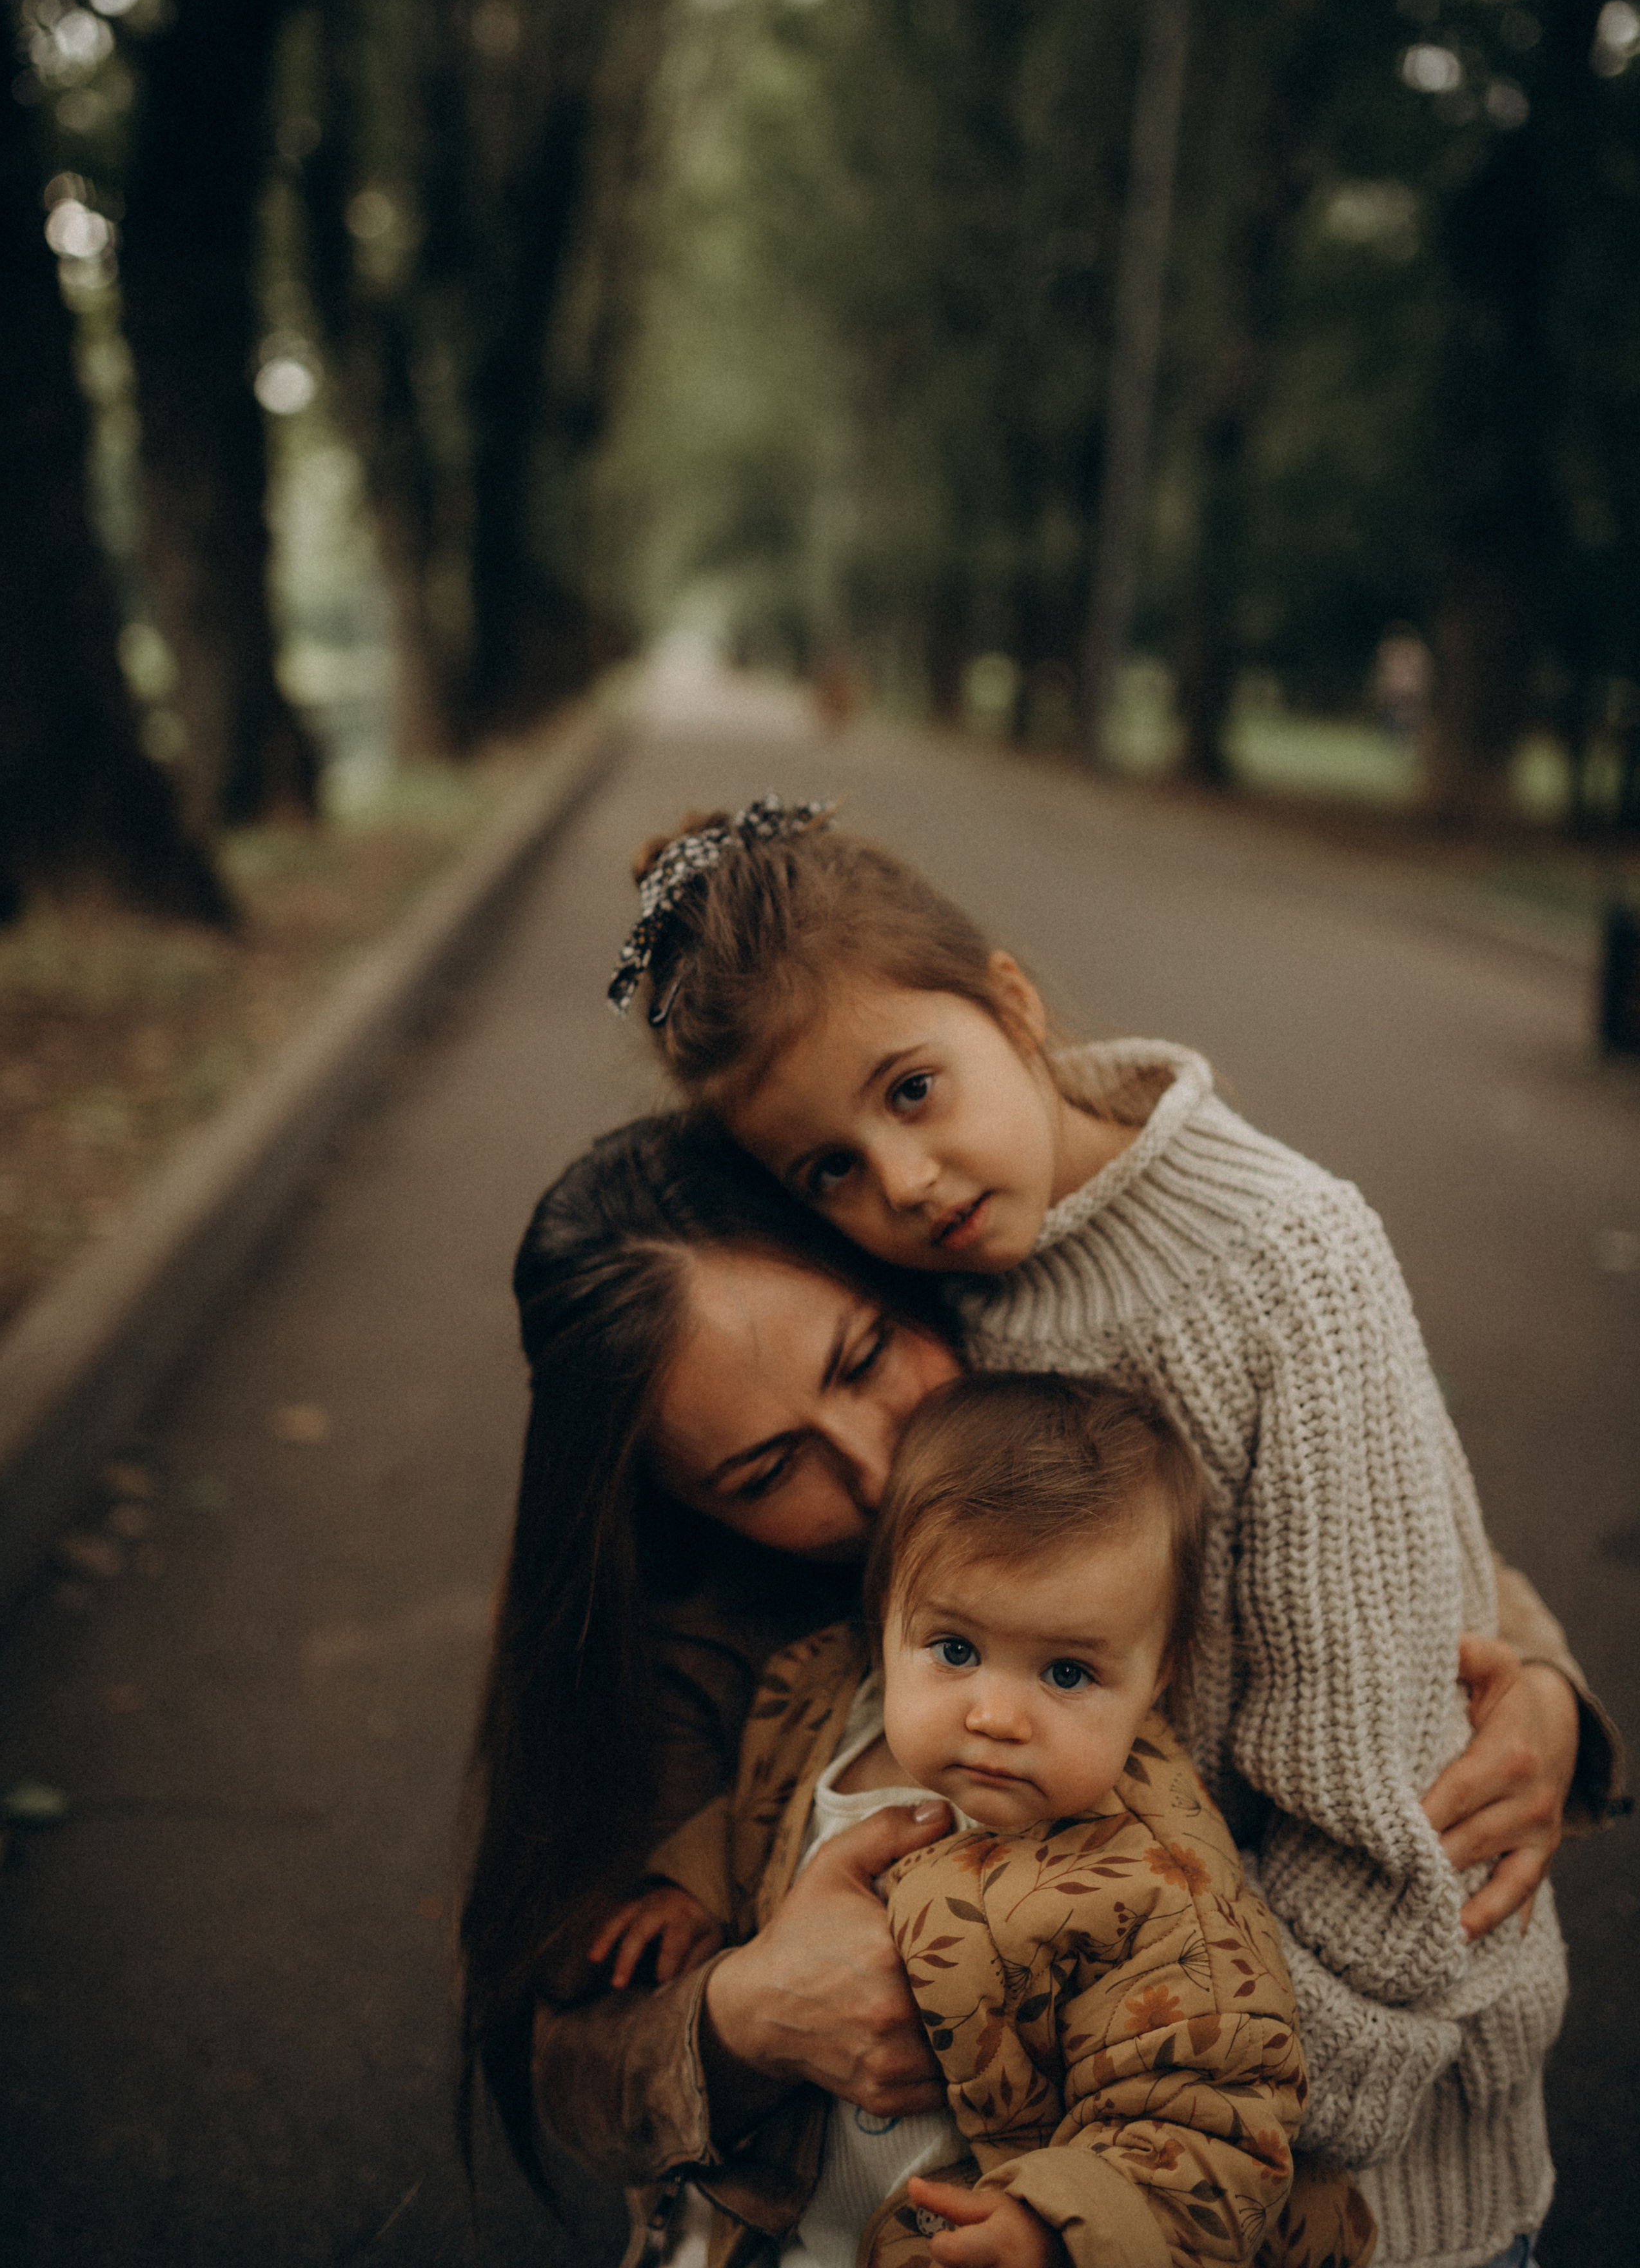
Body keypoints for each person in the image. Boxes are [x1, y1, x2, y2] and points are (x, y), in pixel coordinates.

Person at [566, 796, 1624, 2268]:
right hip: (1087, 2133)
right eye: (828, 1169)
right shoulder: (954, 1287)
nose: (902, 1181)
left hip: (1324, 2148)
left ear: (1010, 1001)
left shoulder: (1288, 1260)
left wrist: (1173, 2101)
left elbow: (1376, 1745)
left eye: (912, 1091)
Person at [591, 1370, 1343, 2268]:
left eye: (1066, 1673)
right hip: (774, 2224)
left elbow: (1210, 2115)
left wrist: (1056, 2229)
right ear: (886, 1614)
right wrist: (692, 1887)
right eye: (956, 1649)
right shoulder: (818, 1703)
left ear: (1159, 1674)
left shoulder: (1155, 1877)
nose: (996, 1716)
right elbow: (763, 1810)